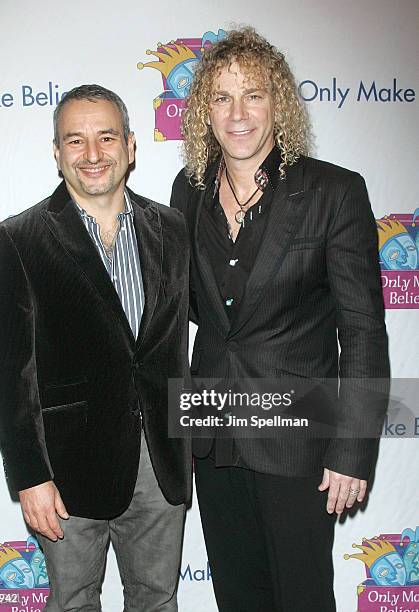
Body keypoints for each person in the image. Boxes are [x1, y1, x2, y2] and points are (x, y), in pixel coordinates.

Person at [170, 27, 389, 611]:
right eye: (221, 97)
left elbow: (363, 329)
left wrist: (352, 449)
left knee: (302, 598)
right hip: (212, 431)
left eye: (254, 95)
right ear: (203, 112)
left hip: (298, 435)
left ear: (279, 104)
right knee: (238, 597)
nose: (238, 113)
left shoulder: (333, 192)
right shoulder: (187, 193)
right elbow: (190, 309)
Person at [0, 84, 191, 611]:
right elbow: (7, 375)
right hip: (66, 471)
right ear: (57, 153)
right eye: (75, 141)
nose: (93, 154)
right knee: (72, 603)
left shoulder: (172, 228)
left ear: (132, 146)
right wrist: (30, 478)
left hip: (160, 463)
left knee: (158, 601)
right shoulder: (20, 239)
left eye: (106, 137)